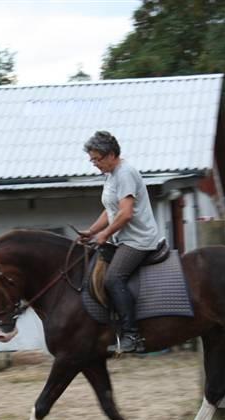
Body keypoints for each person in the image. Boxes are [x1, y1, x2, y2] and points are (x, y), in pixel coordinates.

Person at [79, 131, 163, 353]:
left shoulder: (125, 173)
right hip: (122, 238)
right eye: (92, 159)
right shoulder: (111, 175)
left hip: (138, 239)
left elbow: (125, 214)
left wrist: (105, 235)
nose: (94, 164)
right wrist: (92, 231)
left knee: (113, 278)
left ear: (111, 155)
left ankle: (132, 335)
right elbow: (111, 211)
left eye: (97, 159)